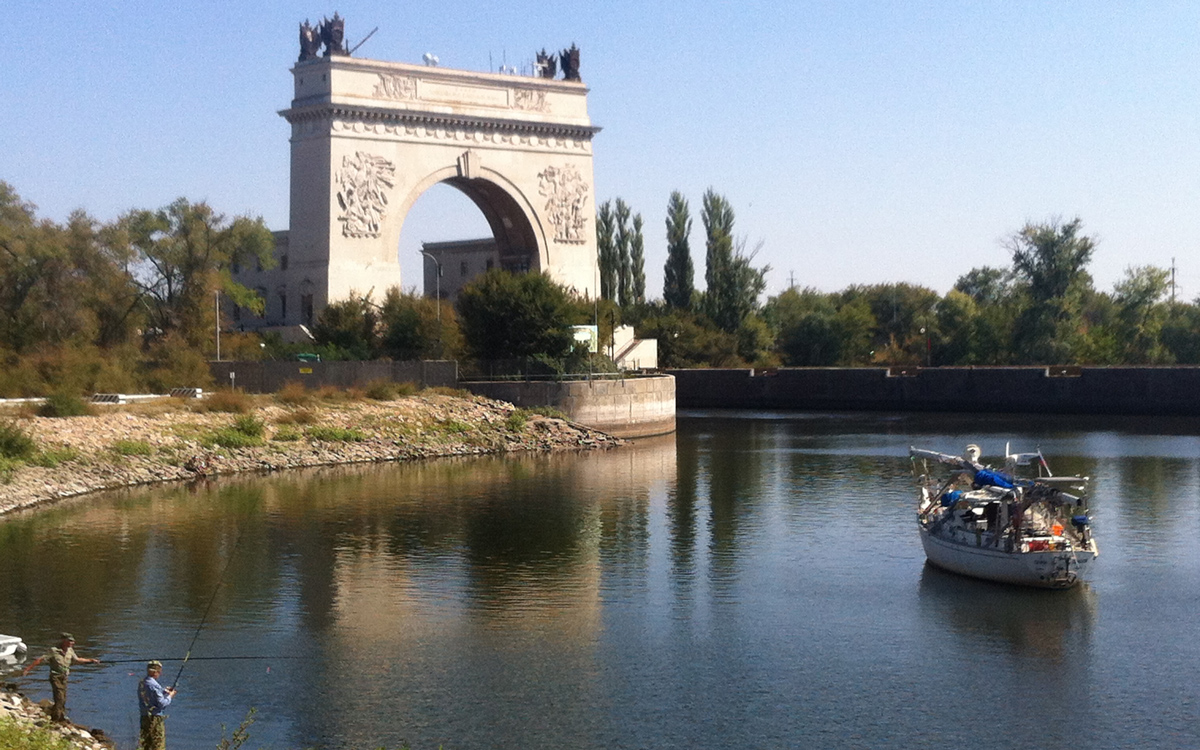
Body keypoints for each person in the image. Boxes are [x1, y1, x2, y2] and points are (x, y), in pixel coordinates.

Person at [21, 632, 100, 723]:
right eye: (70, 641)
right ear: (64, 641)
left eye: (73, 641)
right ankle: (56, 719)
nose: (72, 642)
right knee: (59, 697)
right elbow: (40, 660)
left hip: (64, 677)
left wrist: (91, 660)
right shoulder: (53, 651)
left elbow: (78, 659)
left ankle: (57, 713)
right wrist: (28, 669)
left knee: (63, 698)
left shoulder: (70, 650)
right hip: (55, 677)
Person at [138, 660, 177, 750]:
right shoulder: (155, 685)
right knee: (158, 745)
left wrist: (163, 691)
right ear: (156, 672)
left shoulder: (142, 682)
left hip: (144, 717)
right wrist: (170, 696)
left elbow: (150, 695)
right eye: (159, 671)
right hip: (155, 718)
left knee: (146, 745)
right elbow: (162, 704)